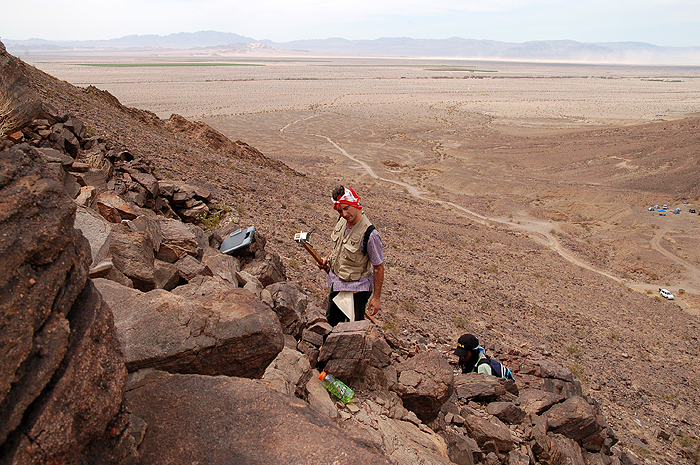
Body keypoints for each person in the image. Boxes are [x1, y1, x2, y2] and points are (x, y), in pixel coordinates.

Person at [320, 186, 384, 326]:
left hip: (356, 290)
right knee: (331, 324)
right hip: (337, 283)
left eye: (347, 208)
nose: (344, 213)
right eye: (340, 210)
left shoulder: (370, 234)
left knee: (352, 330)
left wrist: (376, 298)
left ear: (355, 204)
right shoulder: (342, 221)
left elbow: (378, 267)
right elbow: (339, 246)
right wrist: (327, 258)